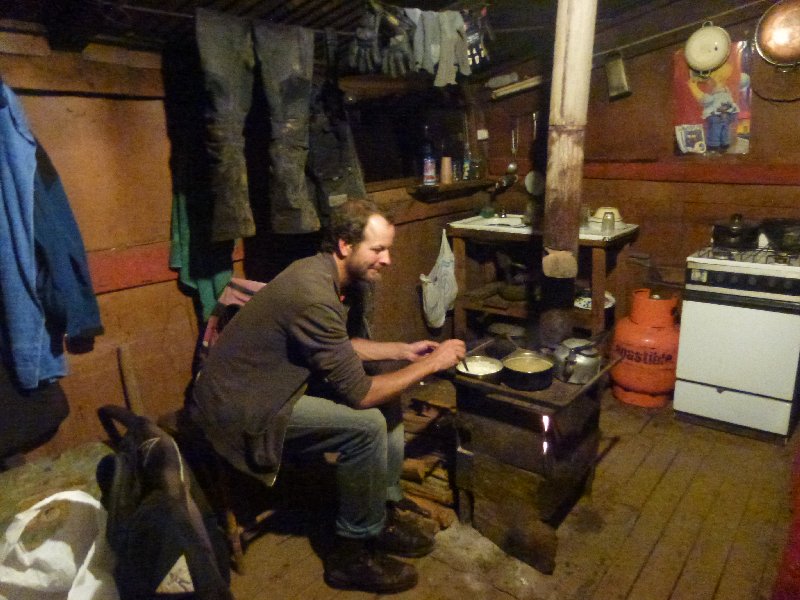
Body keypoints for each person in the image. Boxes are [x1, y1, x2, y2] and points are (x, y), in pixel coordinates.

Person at [189, 198, 466, 593]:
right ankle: (350, 555)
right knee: (366, 424)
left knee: (388, 395)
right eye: (377, 249)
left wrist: (401, 351)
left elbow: (336, 345)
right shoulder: (313, 292)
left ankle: (381, 510)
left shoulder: (320, 275)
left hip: (268, 385)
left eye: (388, 249)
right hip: (241, 408)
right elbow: (362, 394)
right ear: (344, 246)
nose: (386, 260)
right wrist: (432, 363)